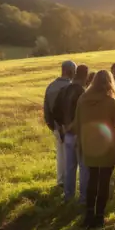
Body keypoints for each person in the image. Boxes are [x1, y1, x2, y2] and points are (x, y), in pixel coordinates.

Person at [73, 70, 115, 228]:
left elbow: (77, 123)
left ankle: (88, 214)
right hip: (107, 148)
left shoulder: (82, 100)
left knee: (92, 179)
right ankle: (99, 217)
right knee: (104, 181)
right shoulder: (110, 102)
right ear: (109, 83)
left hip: (89, 147)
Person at [52, 64, 90, 204]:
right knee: (84, 168)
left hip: (67, 135)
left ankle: (68, 196)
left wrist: (63, 126)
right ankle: (83, 198)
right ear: (85, 75)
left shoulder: (63, 90)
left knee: (69, 167)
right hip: (80, 135)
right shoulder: (83, 93)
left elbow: (55, 111)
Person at [43, 60, 76, 188]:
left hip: (56, 126)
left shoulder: (50, 87)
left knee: (60, 155)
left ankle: (61, 180)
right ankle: (70, 183)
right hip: (71, 127)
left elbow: (46, 110)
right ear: (71, 71)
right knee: (71, 157)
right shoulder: (73, 87)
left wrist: (53, 127)